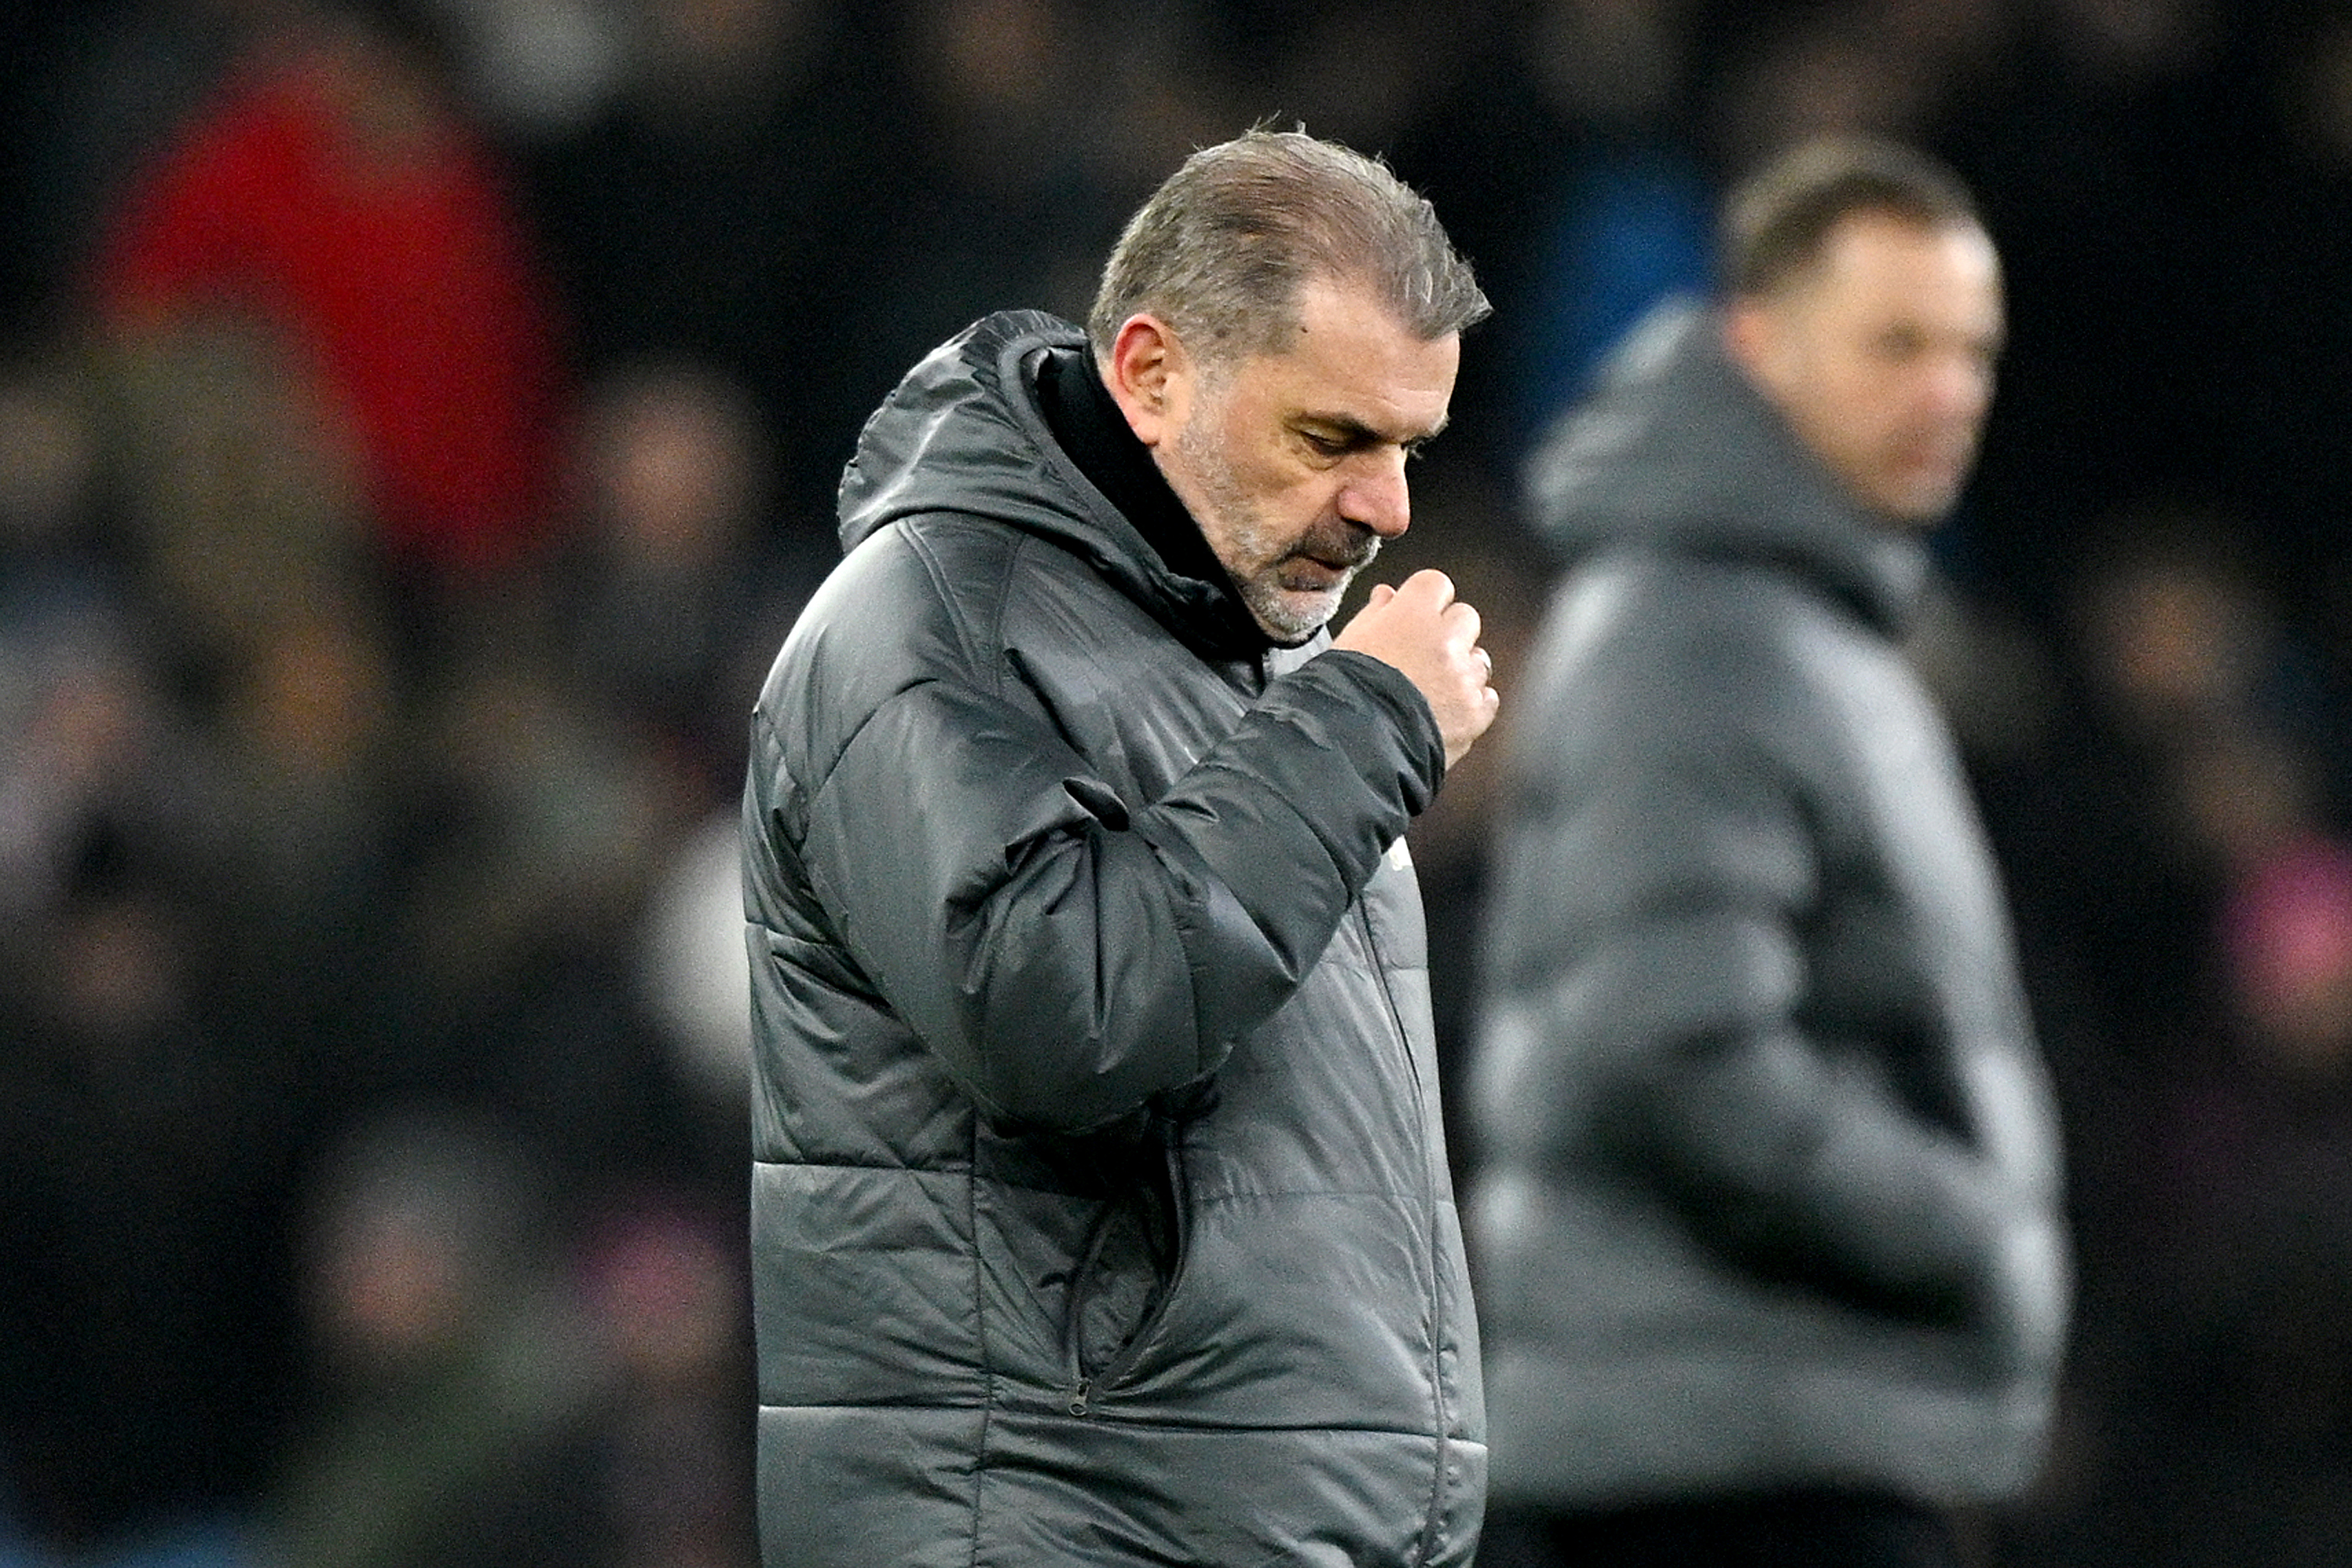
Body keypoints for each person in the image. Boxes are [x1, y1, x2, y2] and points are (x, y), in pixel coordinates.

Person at [739, 129, 1499, 1567]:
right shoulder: (925, 621)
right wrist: (1370, 725)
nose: (1386, 508)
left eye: (1408, 449)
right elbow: (1056, 1008)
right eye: (1331, 438)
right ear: (1151, 374)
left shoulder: (1254, 647)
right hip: (1057, 1523)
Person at [1466, 134, 2071, 1568]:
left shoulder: (1800, 627)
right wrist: (1959, 1229)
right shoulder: (1701, 632)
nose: (1947, 394)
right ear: (1760, 349)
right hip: (1721, 1479)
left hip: (1766, 1437)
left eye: (1971, 353)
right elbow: (1665, 1040)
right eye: (1894, 345)